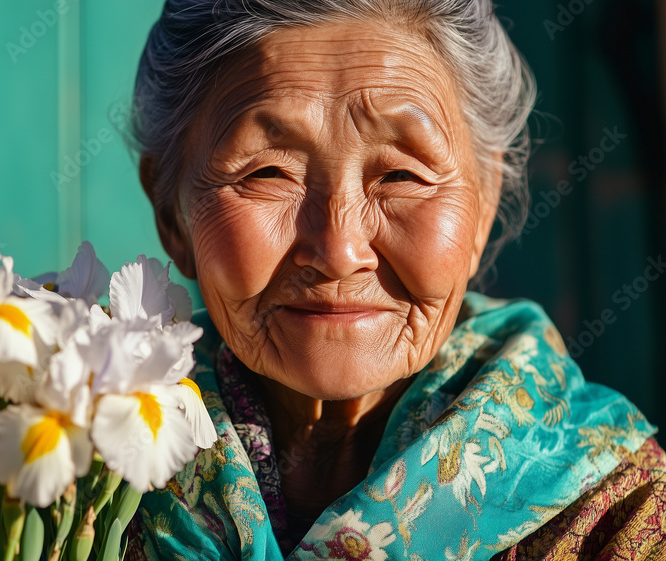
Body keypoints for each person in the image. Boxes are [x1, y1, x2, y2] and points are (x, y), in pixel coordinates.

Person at [124, 1, 666, 559]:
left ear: (484, 207)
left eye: (402, 175)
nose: (338, 252)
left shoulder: (618, 517)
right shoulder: (78, 480)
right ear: (171, 215)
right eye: (268, 172)